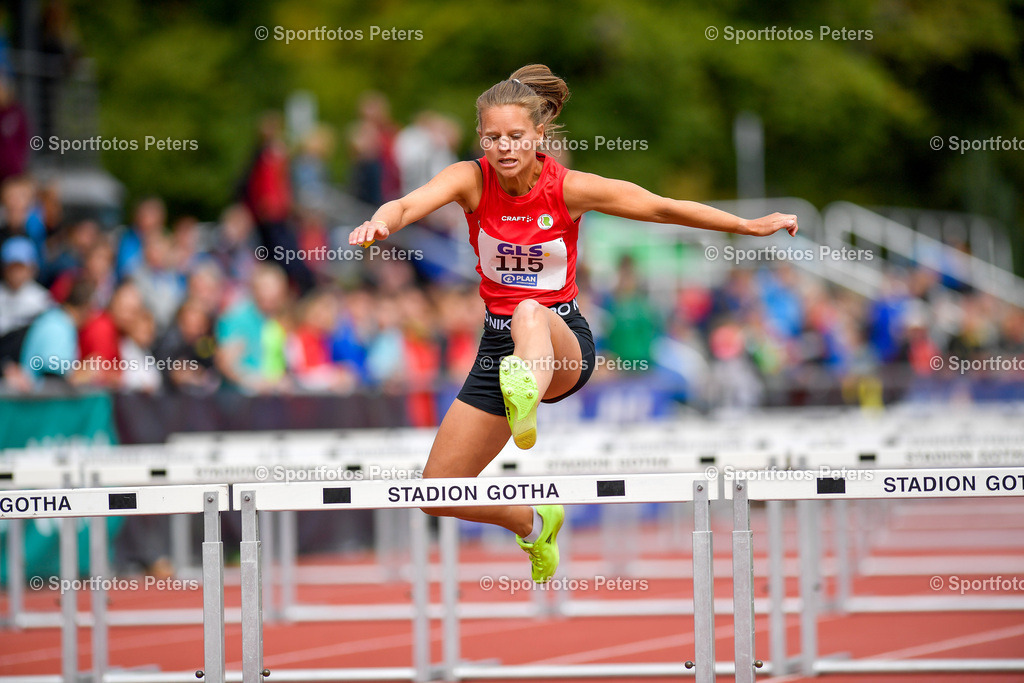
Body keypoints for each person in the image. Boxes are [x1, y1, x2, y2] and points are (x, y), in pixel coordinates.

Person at [347, 64, 798, 583]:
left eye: (516, 137)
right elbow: (408, 203)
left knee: (529, 310)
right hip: (498, 351)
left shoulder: (568, 188)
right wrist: (381, 221)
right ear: (481, 139)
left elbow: (659, 207)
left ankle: (525, 394)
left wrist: (745, 225)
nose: (504, 148)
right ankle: (533, 522)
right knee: (438, 491)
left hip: (562, 344)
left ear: (539, 135)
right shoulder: (470, 179)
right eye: (493, 138)